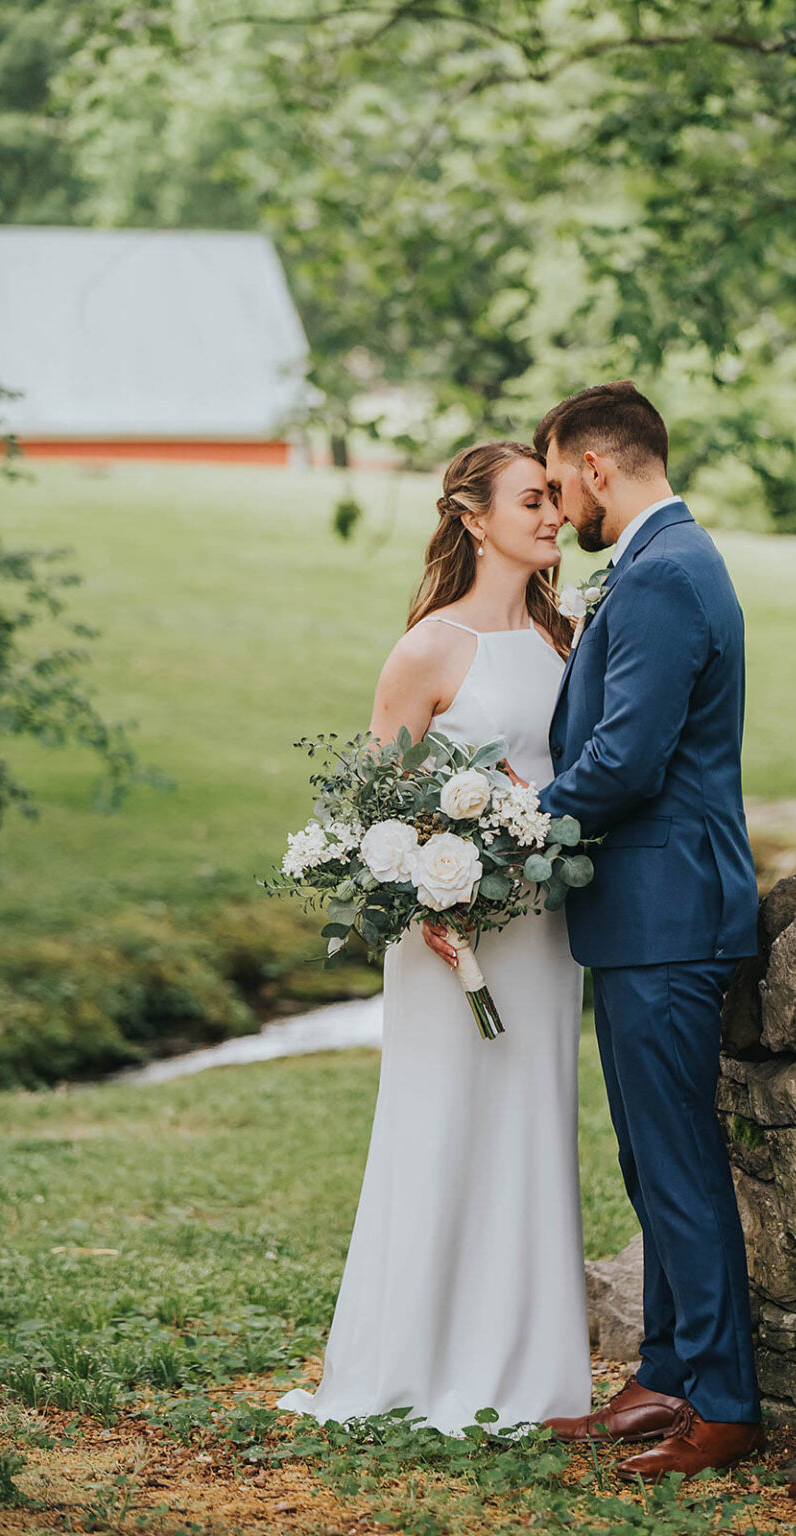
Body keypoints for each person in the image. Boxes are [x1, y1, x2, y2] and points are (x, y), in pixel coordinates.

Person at [275, 441, 593, 1435]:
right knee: (441, 1124)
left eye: (553, 501)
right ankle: (410, 1359)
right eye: (532, 501)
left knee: (531, 1121)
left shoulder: (566, 635)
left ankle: (528, 1366)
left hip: (540, 932)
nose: (552, 517)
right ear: (471, 517)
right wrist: (430, 892)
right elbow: (363, 814)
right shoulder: (426, 649)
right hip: (445, 940)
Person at [532, 379, 764, 1482]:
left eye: (558, 480)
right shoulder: (660, 564)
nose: (560, 507)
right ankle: (667, 1375)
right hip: (642, 915)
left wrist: (507, 837)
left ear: (593, 468)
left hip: (666, 911)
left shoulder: (666, 573)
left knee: (676, 1164)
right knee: (647, 1156)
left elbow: (625, 760)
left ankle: (720, 1402)